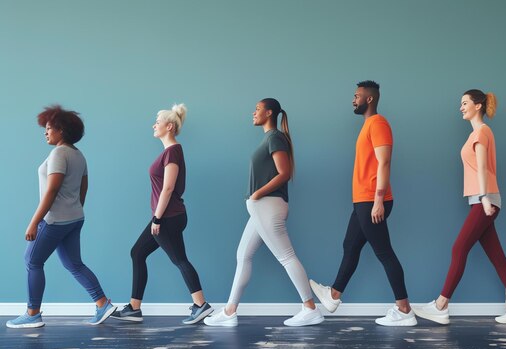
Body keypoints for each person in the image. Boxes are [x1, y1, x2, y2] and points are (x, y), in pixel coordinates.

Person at [413, 90, 506, 325]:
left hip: (484, 199)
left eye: (465, 103)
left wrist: (484, 197)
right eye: (460, 103)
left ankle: (441, 305)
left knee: (459, 248)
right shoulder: (476, 133)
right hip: (482, 199)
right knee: (497, 257)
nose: (461, 107)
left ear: (478, 106)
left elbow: (481, 167)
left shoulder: (482, 131)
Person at [204, 98, 324, 327]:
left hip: (268, 206)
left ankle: (310, 308)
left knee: (286, 257)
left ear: (269, 113)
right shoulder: (270, 138)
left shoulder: (275, 138)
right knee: (243, 256)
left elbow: (284, 173)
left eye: (257, 109)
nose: (253, 112)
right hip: (261, 209)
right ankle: (230, 312)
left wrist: (257, 193)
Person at [309, 80, 417, 326]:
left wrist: (379, 200)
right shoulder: (368, 125)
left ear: (369, 99)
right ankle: (334, 295)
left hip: (372, 200)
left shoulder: (378, 123)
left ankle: (404, 310)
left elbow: (384, 162)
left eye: (357, 95)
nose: (353, 99)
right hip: (363, 200)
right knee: (350, 245)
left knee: (384, 253)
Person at [7, 106, 116, 328]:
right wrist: (74, 209)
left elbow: (52, 190)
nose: (45, 133)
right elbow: (83, 187)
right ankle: (103, 304)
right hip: (75, 218)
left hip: (54, 220)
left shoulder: (58, 153)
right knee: (74, 264)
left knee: (32, 261)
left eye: (49, 128)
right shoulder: (78, 154)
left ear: (62, 131)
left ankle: (32, 313)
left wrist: (34, 222)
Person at [111, 104, 212, 325]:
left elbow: (168, 188)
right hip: (167, 215)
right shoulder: (168, 152)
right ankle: (134, 308)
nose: (153, 125)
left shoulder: (173, 151)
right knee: (138, 253)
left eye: (157, 122)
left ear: (169, 126)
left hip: (168, 217)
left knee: (179, 259)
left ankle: (201, 304)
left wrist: (157, 219)